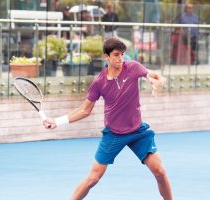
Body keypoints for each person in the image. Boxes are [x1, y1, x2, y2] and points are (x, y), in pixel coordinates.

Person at [43, 37, 173, 200]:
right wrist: (57, 122)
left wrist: (158, 81)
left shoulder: (133, 67)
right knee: (93, 179)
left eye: (122, 54)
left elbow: (152, 75)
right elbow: (85, 110)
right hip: (114, 135)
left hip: (137, 131)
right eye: (116, 55)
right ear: (107, 56)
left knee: (159, 171)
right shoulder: (99, 82)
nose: (120, 59)